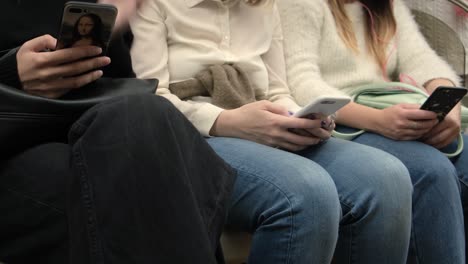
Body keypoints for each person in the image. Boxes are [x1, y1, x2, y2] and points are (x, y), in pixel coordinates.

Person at [130, 0, 415, 263]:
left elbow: (278, 90)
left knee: (388, 176)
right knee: (307, 191)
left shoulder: (265, 5)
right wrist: (226, 121)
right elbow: (149, 99)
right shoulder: (154, 4)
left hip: (266, 123)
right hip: (195, 135)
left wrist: (298, 117)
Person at [0, 0, 236, 263]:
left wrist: (112, 21)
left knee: (146, 119)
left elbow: (124, 77)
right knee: (135, 181)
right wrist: (12, 73)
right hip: (16, 137)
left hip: (107, 116)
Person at [277, 0, 466, 263]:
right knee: (430, 171)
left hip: (387, 112)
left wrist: (449, 105)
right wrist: (378, 120)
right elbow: (299, 80)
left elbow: (423, 60)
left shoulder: (387, 5)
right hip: (339, 121)